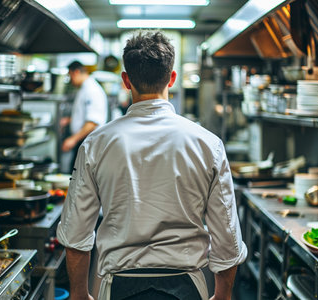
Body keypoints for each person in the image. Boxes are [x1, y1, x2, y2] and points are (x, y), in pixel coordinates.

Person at [57, 31, 247, 300]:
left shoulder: (95, 144)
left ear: (126, 80)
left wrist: (78, 294)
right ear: (172, 78)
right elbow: (227, 236)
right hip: (188, 286)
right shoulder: (208, 144)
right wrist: (223, 296)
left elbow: (76, 233)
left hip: (118, 287)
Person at [60, 61, 108, 165]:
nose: (70, 80)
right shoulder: (84, 88)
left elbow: (92, 122)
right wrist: (69, 120)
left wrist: (73, 139)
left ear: (76, 72)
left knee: (80, 178)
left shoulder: (92, 90)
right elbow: (85, 114)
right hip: (83, 142)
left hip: (88, 143)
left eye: (70, 75)